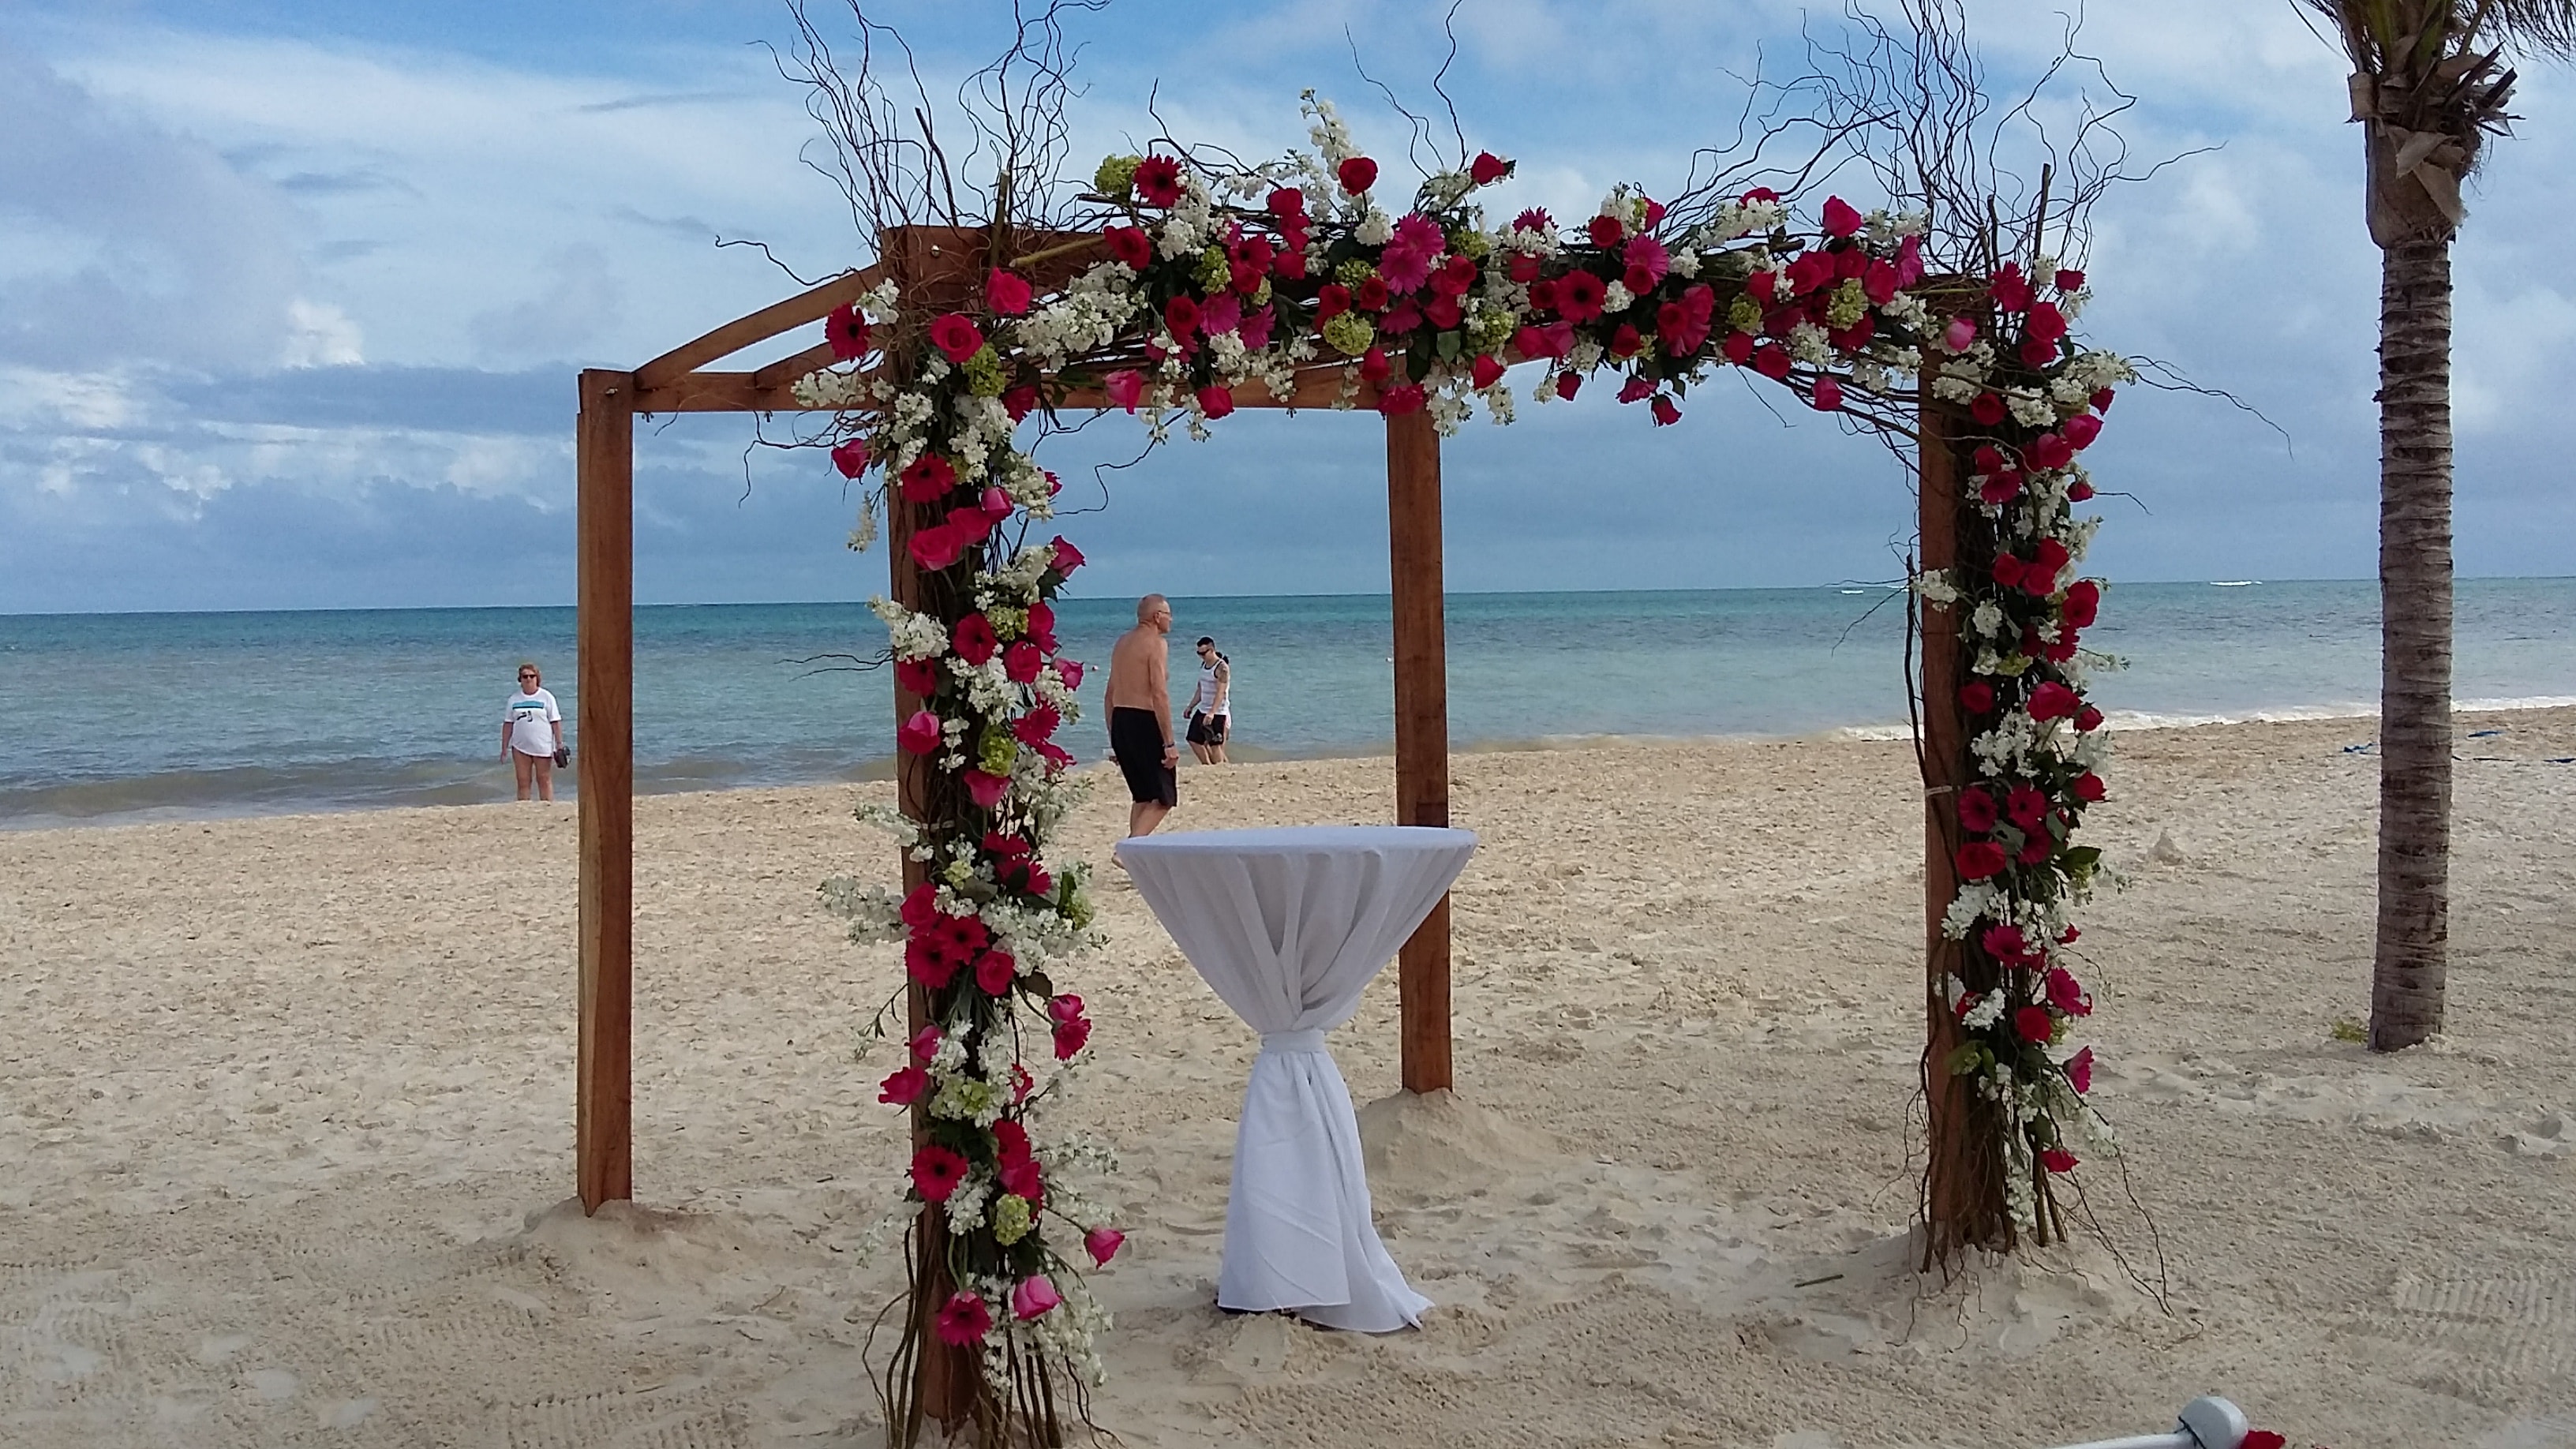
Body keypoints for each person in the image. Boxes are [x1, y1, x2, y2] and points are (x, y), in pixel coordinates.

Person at [1103, 594, 1178, 836]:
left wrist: (1114, 737)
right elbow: (1159, 693)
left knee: (1143, 797)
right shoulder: (1156, 644)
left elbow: (1109, 695)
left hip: (1121, 722)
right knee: (1164, 797)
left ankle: (1134, 855)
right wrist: (1169, 743)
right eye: (1168, 614)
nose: (1171, 619)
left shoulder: (1122, 643)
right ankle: (1130, 849)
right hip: (1144, 722)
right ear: (1157, 617)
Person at [502, 662, 564, 802]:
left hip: (543, 746)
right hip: (520, 746)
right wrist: (504, 746)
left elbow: (556, 721)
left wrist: (559, 743)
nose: (528, 679)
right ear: (520, 680)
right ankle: (523, 807)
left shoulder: (546, 697)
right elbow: (508, 724)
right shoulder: (514, 699)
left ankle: (547, 806)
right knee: (523, 781)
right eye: (525, 676)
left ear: (537, 678)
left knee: (544, 779)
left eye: (532, 676)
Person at [1185, 635, 1232, 765]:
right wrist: (1191, 706)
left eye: (1203, 653)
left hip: (1217, 712)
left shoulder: (1222, 668)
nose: (1201, 656)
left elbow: (1220, 692)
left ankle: (1219, 768)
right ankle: (1207, 766)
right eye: (1198, 653)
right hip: (1202, 709)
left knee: (1215, 745)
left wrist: (1212, 712)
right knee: (1193, 739)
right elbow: (1200, 689)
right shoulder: (1204, 665)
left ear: (1212, 650)